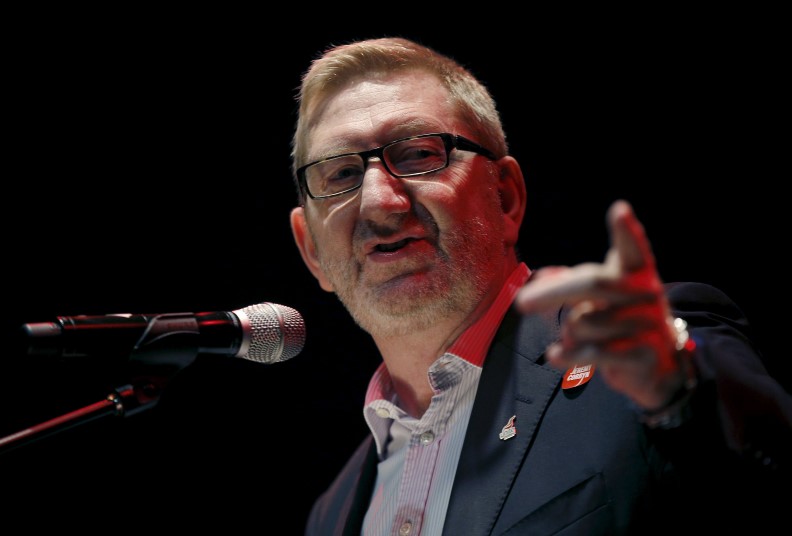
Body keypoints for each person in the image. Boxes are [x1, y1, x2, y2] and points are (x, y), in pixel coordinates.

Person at [287, 37, 791, 535]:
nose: (379, 201)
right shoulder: (332, 514)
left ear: (505, 198)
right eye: (342, 173)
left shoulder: (638, 357)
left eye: (418, 154)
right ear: (312, 251)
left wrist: (679, 389)